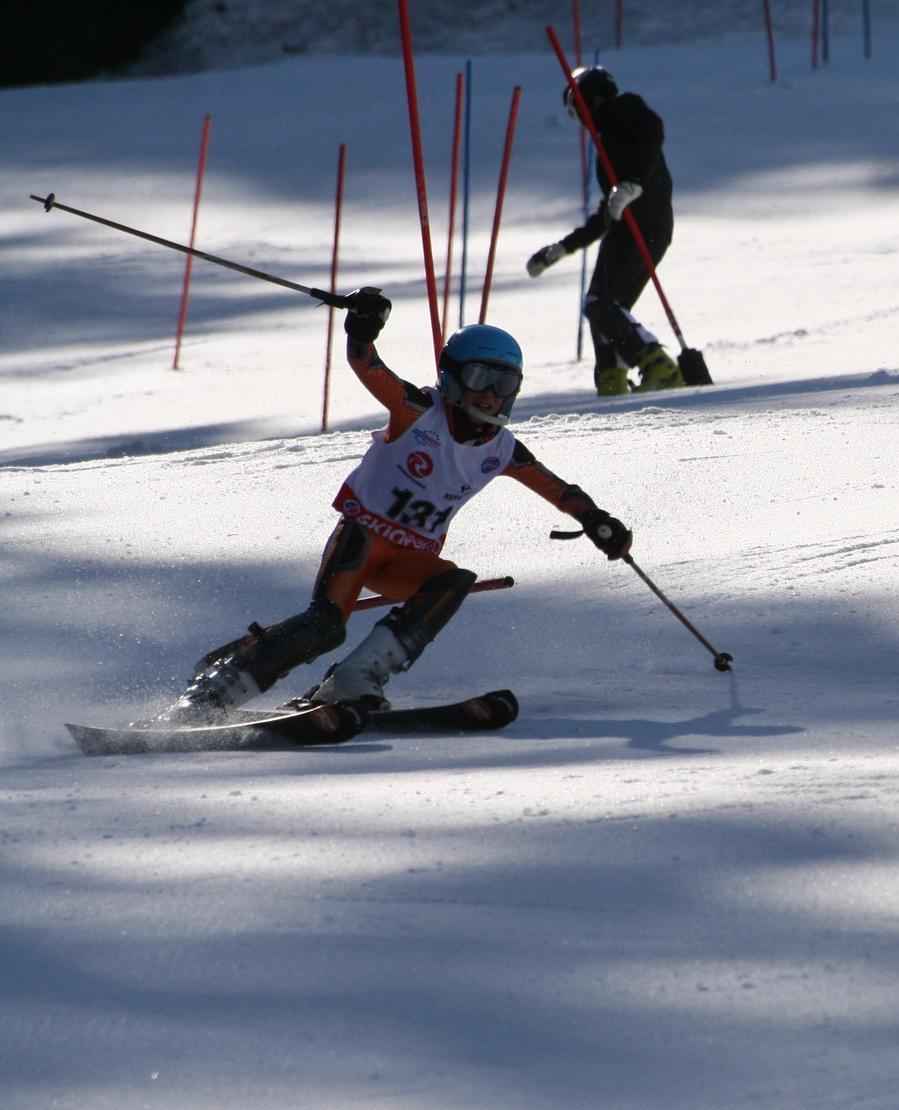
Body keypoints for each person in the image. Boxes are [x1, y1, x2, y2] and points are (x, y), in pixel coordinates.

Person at [166, 286, 633, 722]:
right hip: (362, 539)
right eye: (480, 377)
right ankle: (210, 697)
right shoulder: (418, 412)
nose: (492, 394)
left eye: (504, 382)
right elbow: (367, 366)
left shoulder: (501, 449)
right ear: (453, 376)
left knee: (451, 582)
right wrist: (362, 328)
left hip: (408, 559)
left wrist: (596, 520)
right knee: (325, 625)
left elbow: (558, 490)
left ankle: (355, 679)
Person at [525, 64, 683, 397]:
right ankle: (611, 375)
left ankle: (657, 364)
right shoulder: (606, 146)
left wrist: (633, 184)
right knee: (604, 306)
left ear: (592, 99)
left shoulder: (626, 109)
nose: (582, 120)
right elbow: (607, 213)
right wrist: (563, 248)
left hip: (643, 225)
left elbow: (652, 130)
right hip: (634, 228)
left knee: (603, 304)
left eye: (577, 109)